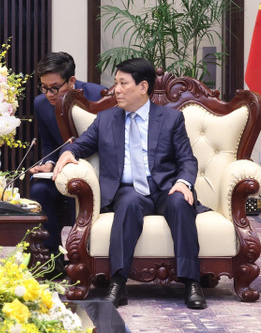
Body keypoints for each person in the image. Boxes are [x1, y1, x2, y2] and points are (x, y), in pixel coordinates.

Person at [52, 57, 208, 310]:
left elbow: (187, 159)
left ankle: (192, 282)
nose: (116, 90)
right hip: (129, 190)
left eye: (123, 83)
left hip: (166, 187)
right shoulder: (106, 119)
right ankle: (118, 282)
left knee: (181, 202)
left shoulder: (170, 119)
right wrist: (68, 154)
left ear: (143, 87)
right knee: (127, 205)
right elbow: (81, 145)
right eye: (115, 83)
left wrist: (183, 183)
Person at [27, 52, 104, 273]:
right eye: (43, 87)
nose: (49, 94)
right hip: (63, 170)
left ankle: (90, 257)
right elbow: (50, 145)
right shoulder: (42, 104)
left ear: (71, 80)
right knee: (40, 188)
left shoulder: (98, 95)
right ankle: (52, 258)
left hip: (98, 169)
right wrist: (49, 163)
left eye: (55, 88)